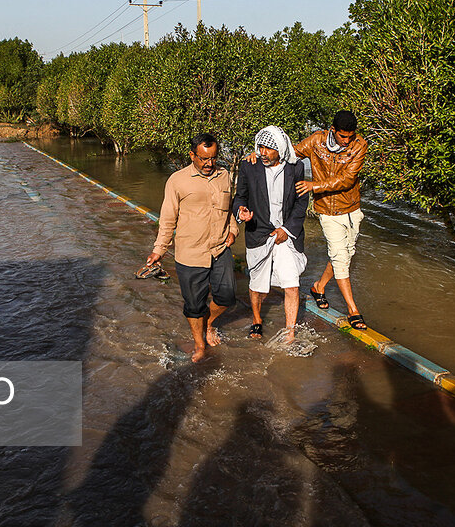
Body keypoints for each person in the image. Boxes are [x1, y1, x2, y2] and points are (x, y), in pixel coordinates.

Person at [146, 133, 238, 363]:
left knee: (227, 296)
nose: (209, 164)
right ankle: (199, 343)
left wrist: (234, 231)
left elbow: (230, 209)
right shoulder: (177, 180)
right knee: (194, 305)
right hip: (190, 253)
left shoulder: (224, 175)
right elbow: (167, 219)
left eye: (213, 158)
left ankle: (208, 323)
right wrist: (159, 249)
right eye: (204, 158)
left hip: (219, 249)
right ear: (192, 155)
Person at [231, 126, 309, 344]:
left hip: (287, 233)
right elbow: (240, 197)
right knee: (257, 284)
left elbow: (302, 203)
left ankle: (290, 332)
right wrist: (241, 211)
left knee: (291, 284)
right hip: (259, 232)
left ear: (280, 149)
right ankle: (257, 321)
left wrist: (286, 230)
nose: (262, 152)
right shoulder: (249, 165)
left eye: (268, 148)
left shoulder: (296, 168)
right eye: (260, 147)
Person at [293, 110, 368, 329]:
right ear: (333, 131)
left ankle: (318, 287)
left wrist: (312, 185)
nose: (346, 141)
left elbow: (347, 180)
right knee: (339, 257)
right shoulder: (316, 141)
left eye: (350, 137)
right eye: (342, 136)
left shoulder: (359, 145)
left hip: (352, 208)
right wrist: (260, 155)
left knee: (346, 253)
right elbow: (291, 153)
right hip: (327, 210)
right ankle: (353, 310)